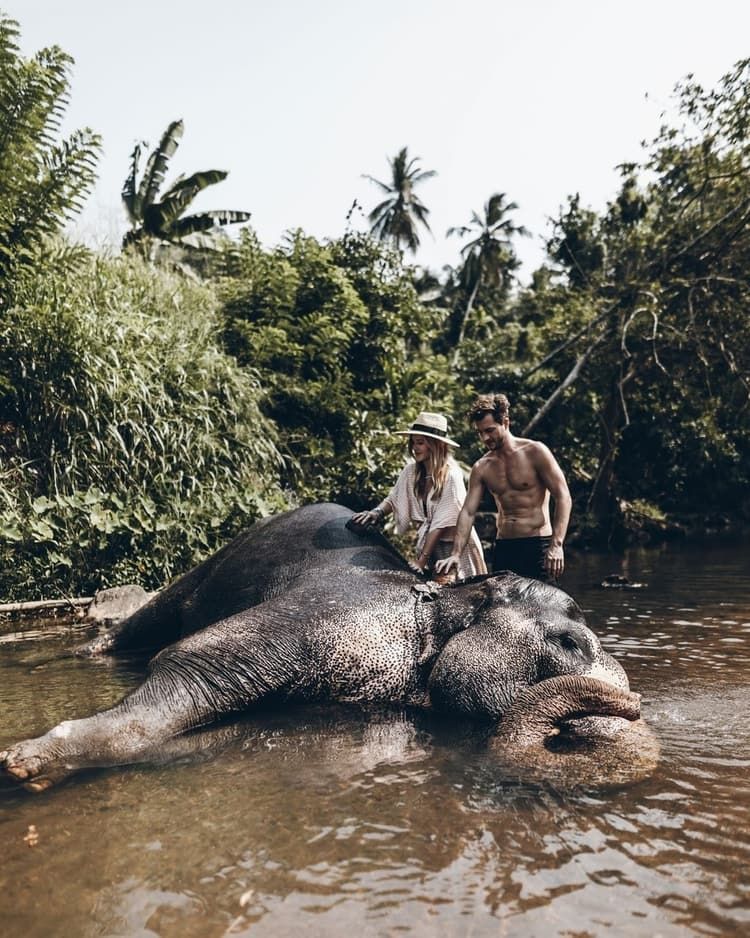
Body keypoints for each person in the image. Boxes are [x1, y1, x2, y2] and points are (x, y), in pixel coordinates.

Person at [434, 393, 571, 583]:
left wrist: (557, 545)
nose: (485, 438)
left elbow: (563, 496)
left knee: (543, 609)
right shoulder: (482, 467)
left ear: (505, 422)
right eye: (480, 432)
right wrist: (456, 554)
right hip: (505, 548)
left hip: (538, 545)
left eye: (490, 430)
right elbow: (467, 512)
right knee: (502, 610)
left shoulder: (535, 452)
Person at [351, 411, 486, 579]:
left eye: (420, 443)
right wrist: (376, 513)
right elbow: (394, 498)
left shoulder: (451, 475)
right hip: (430, 546)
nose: (415, 448)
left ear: (436, 444)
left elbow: (440, 523)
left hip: (454, 548)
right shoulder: (411, 472)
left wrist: (421, 560)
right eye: (413, 442)